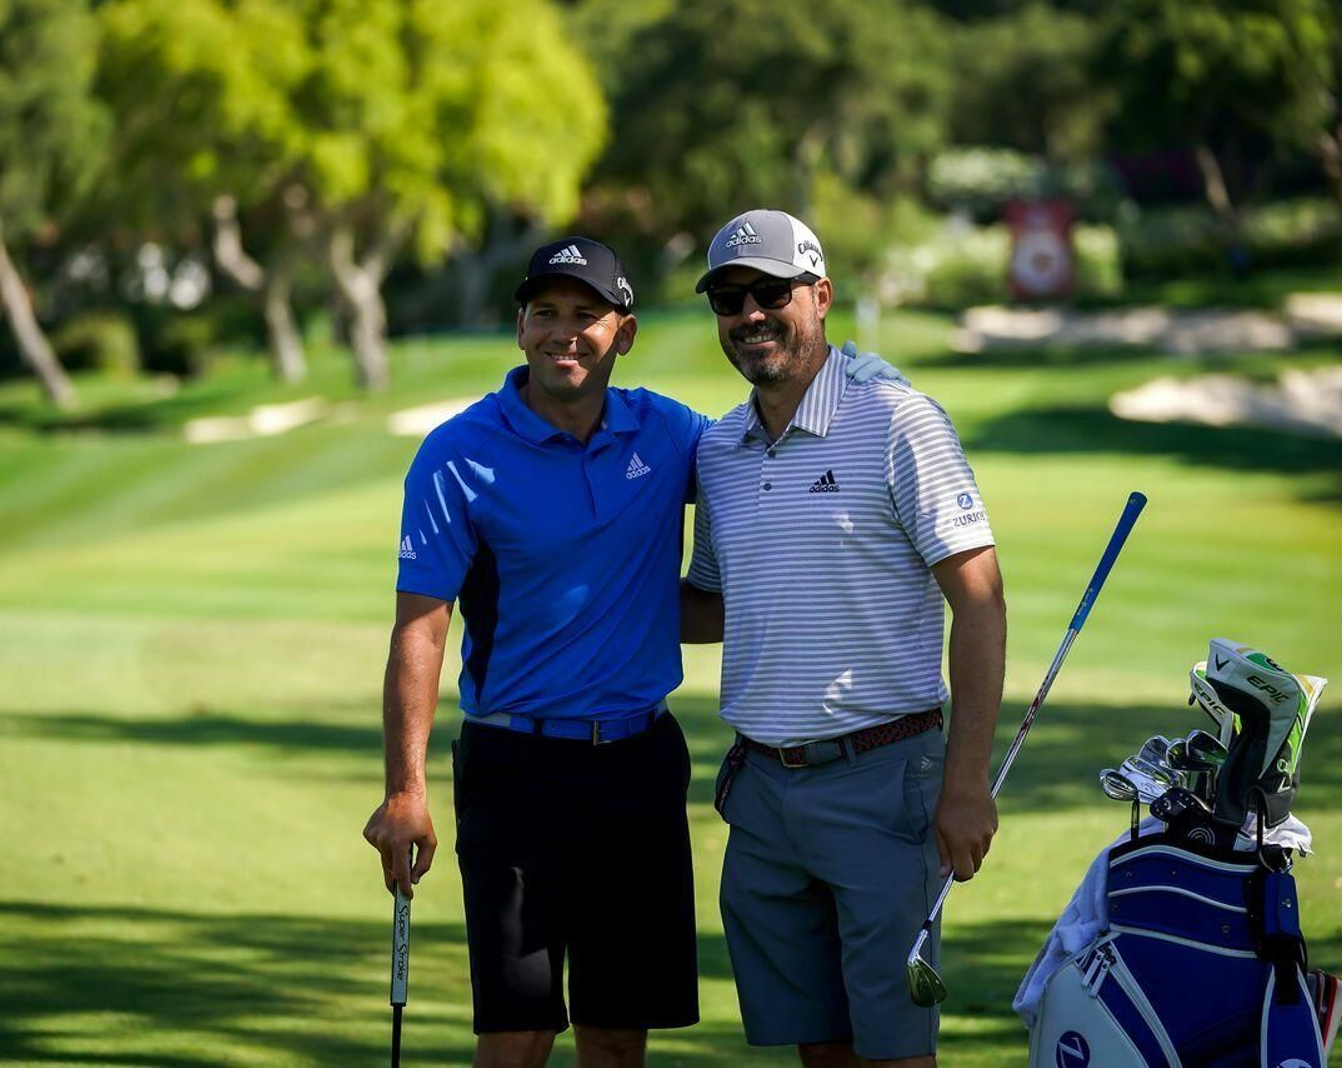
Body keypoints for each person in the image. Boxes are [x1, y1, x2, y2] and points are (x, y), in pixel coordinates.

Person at [362, 236, 899, 1068]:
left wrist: (872, 387)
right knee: (516, 1033)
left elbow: (779, 453)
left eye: (586, 316)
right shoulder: (458, 454)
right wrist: (405, 790)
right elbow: (421, 625)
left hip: (639, 766)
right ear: (520, 327)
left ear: (627, 331)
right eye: (545, 314)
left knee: (618, 1034)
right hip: (515, 765)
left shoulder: (675, 436)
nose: (563, 334)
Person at [680, 209, 1007, 1066]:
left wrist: (966, 781)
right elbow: (715, 604)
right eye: (728, 298)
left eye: (770, 293)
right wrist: (555, 592)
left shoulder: (899, 421)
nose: (749, 313)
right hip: (761, 794)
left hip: (883, 782)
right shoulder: (719, 449)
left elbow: (979, 602)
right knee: (816, 1052)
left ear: (820, 297)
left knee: (895, 1052)